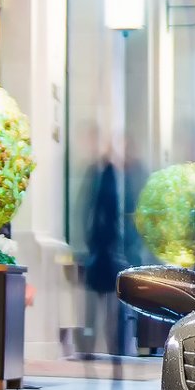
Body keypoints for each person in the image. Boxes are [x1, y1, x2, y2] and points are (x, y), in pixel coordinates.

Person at [82, 148, 127, 358]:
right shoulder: (112, 201)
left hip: (98, 258)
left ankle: (91, 345)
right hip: (109, 260)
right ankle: (112, 345)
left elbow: (87, 221)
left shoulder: (97, 195)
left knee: (94, 309)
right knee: (111, 310)